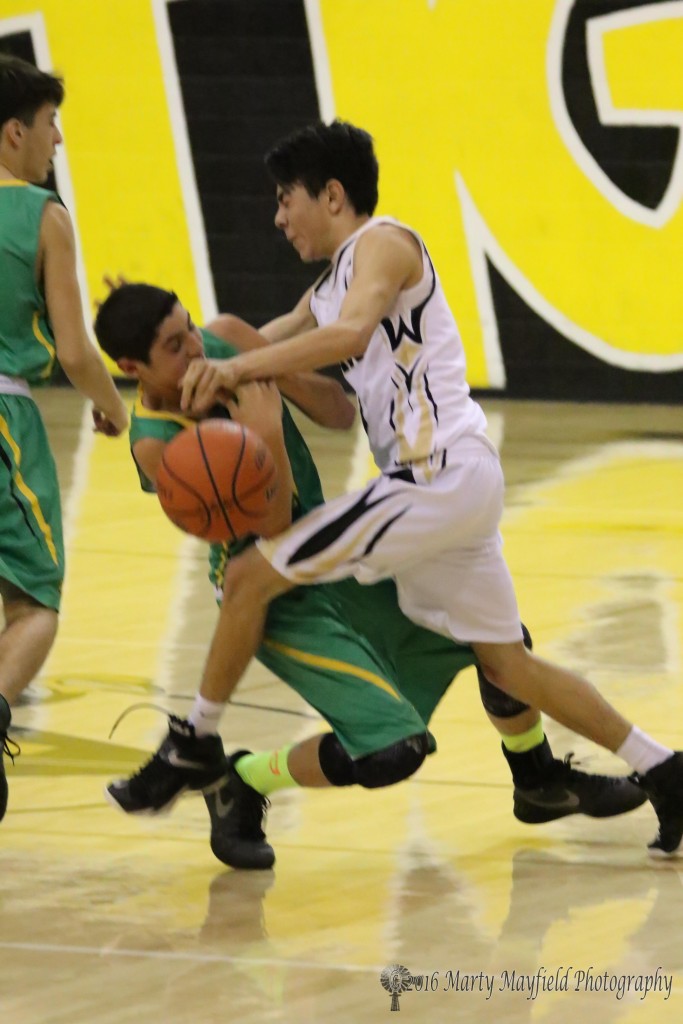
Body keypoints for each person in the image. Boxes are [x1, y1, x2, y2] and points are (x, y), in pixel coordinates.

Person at [167, 119, 682, 858]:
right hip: (447, 492)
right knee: (508, 665)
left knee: (254, 572)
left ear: (333, 195)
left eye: (287, 199)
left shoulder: (384, 244)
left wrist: (241, 372)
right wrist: (173, 369)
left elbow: (345, 338)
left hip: (436, 478)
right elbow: (259, 339)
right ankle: (660, 769)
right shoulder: (330, 282)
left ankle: (195, 742)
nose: (278, 218)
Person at [94, 283, 644, 869]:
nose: (196, 350)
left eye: (190, 328)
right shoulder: (157, 444)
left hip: (333, 544)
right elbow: (274, 528)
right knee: (391, 754)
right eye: (176, 347)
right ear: (133, 367)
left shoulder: (226, 339)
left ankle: (537, 779)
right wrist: (268, 430)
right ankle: (244, 779)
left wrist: (269, 371)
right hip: (268, 588)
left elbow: (337, 411)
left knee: (500, 647)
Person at [0, 56, 128, 822]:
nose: (59, 141)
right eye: (51, 125)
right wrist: (115, 408)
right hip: (5, 419)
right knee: (35, 600)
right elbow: (76, 351)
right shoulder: (42, 216)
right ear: (14, 134)